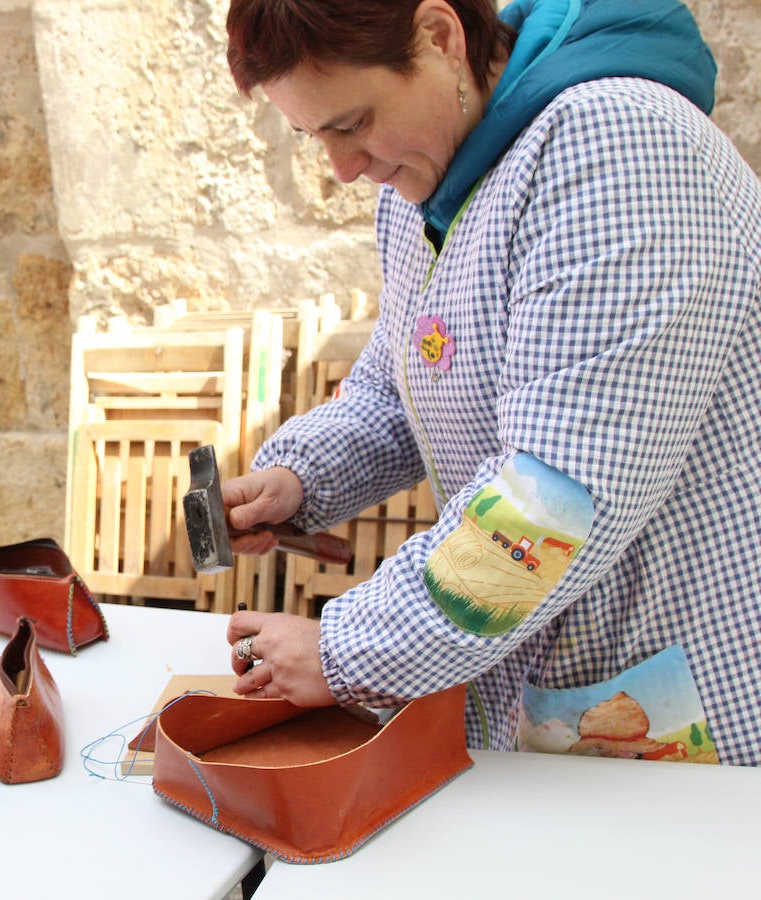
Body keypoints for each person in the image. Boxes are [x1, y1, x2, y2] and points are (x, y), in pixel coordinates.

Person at [222, 0, 760, 766]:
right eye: (316, 137)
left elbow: (554, 498)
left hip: (684, 688)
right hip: (553, 690)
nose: (341, 169)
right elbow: (401, 385)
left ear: (440, 37)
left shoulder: (615, 149)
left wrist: (345, 648)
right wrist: (298, 478)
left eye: (353, 124)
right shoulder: (424, 191)